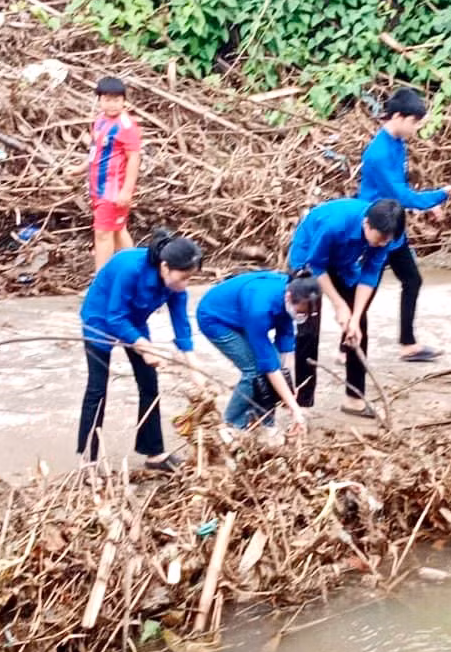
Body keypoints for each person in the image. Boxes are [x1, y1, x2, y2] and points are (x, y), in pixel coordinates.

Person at [77, 229, 204, 472]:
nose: (185, 284)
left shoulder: (175, 286)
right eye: (184, 277)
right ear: (165, 267)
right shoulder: (130, 268)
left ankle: (154, 452)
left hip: (134, 322)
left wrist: (194, 368)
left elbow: (182, 326)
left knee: (149, 384)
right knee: (97, 389)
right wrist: (145, 347)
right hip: (100, 319)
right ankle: (88, 460)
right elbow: (115, 317)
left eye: (190, 278)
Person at [358, 86, 451, 363]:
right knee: (366, 288)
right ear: (398, 116)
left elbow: (401, 189)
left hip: (393, 224)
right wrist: (442, 194)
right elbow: (402, 194)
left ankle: (407, 344)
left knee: (411, 280)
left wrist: (429, 205)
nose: (417, 128)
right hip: (377, 228)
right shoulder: (379, 153)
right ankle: (350, 344)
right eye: (414, 122)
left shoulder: (397, 145)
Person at [286, 197, 405, 419]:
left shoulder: (387, 235)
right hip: (309, 260)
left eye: (386, 242)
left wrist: (355, 316)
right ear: (366, 224)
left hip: (345, 261)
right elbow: (317, 265)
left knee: (358, 328)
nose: (382, 245)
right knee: (308, 330)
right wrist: (339, 305)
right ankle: (301, 403)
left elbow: (370, 274)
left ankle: (354, 398)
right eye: (379, 239)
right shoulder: (334, 224)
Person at [196, 269, 321, 431]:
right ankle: (231, 425)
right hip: (215, 318)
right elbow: (268, 364)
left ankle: (264, 423)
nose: (302, 316)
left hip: (244, 316)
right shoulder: (260, 307)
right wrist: (295, 408)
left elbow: (286, 344)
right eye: (300, 312)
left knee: (275, 373)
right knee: (254, 370)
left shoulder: (290, 290)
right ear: (289, 298)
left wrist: (289, 387)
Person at [88, 76, 143, 273]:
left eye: (116, 100)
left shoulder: (126, 126)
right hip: (97, 188)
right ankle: (137, 275)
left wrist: (126, 191)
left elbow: (134, 159)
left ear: (123, 101)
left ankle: (100, 282)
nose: (112, 104)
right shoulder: (100, 121)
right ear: (100, 100)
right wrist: (79, 168)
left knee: (103, 233)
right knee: (118, 231)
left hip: (113, 191)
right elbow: (96, 150)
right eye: (107, 99)